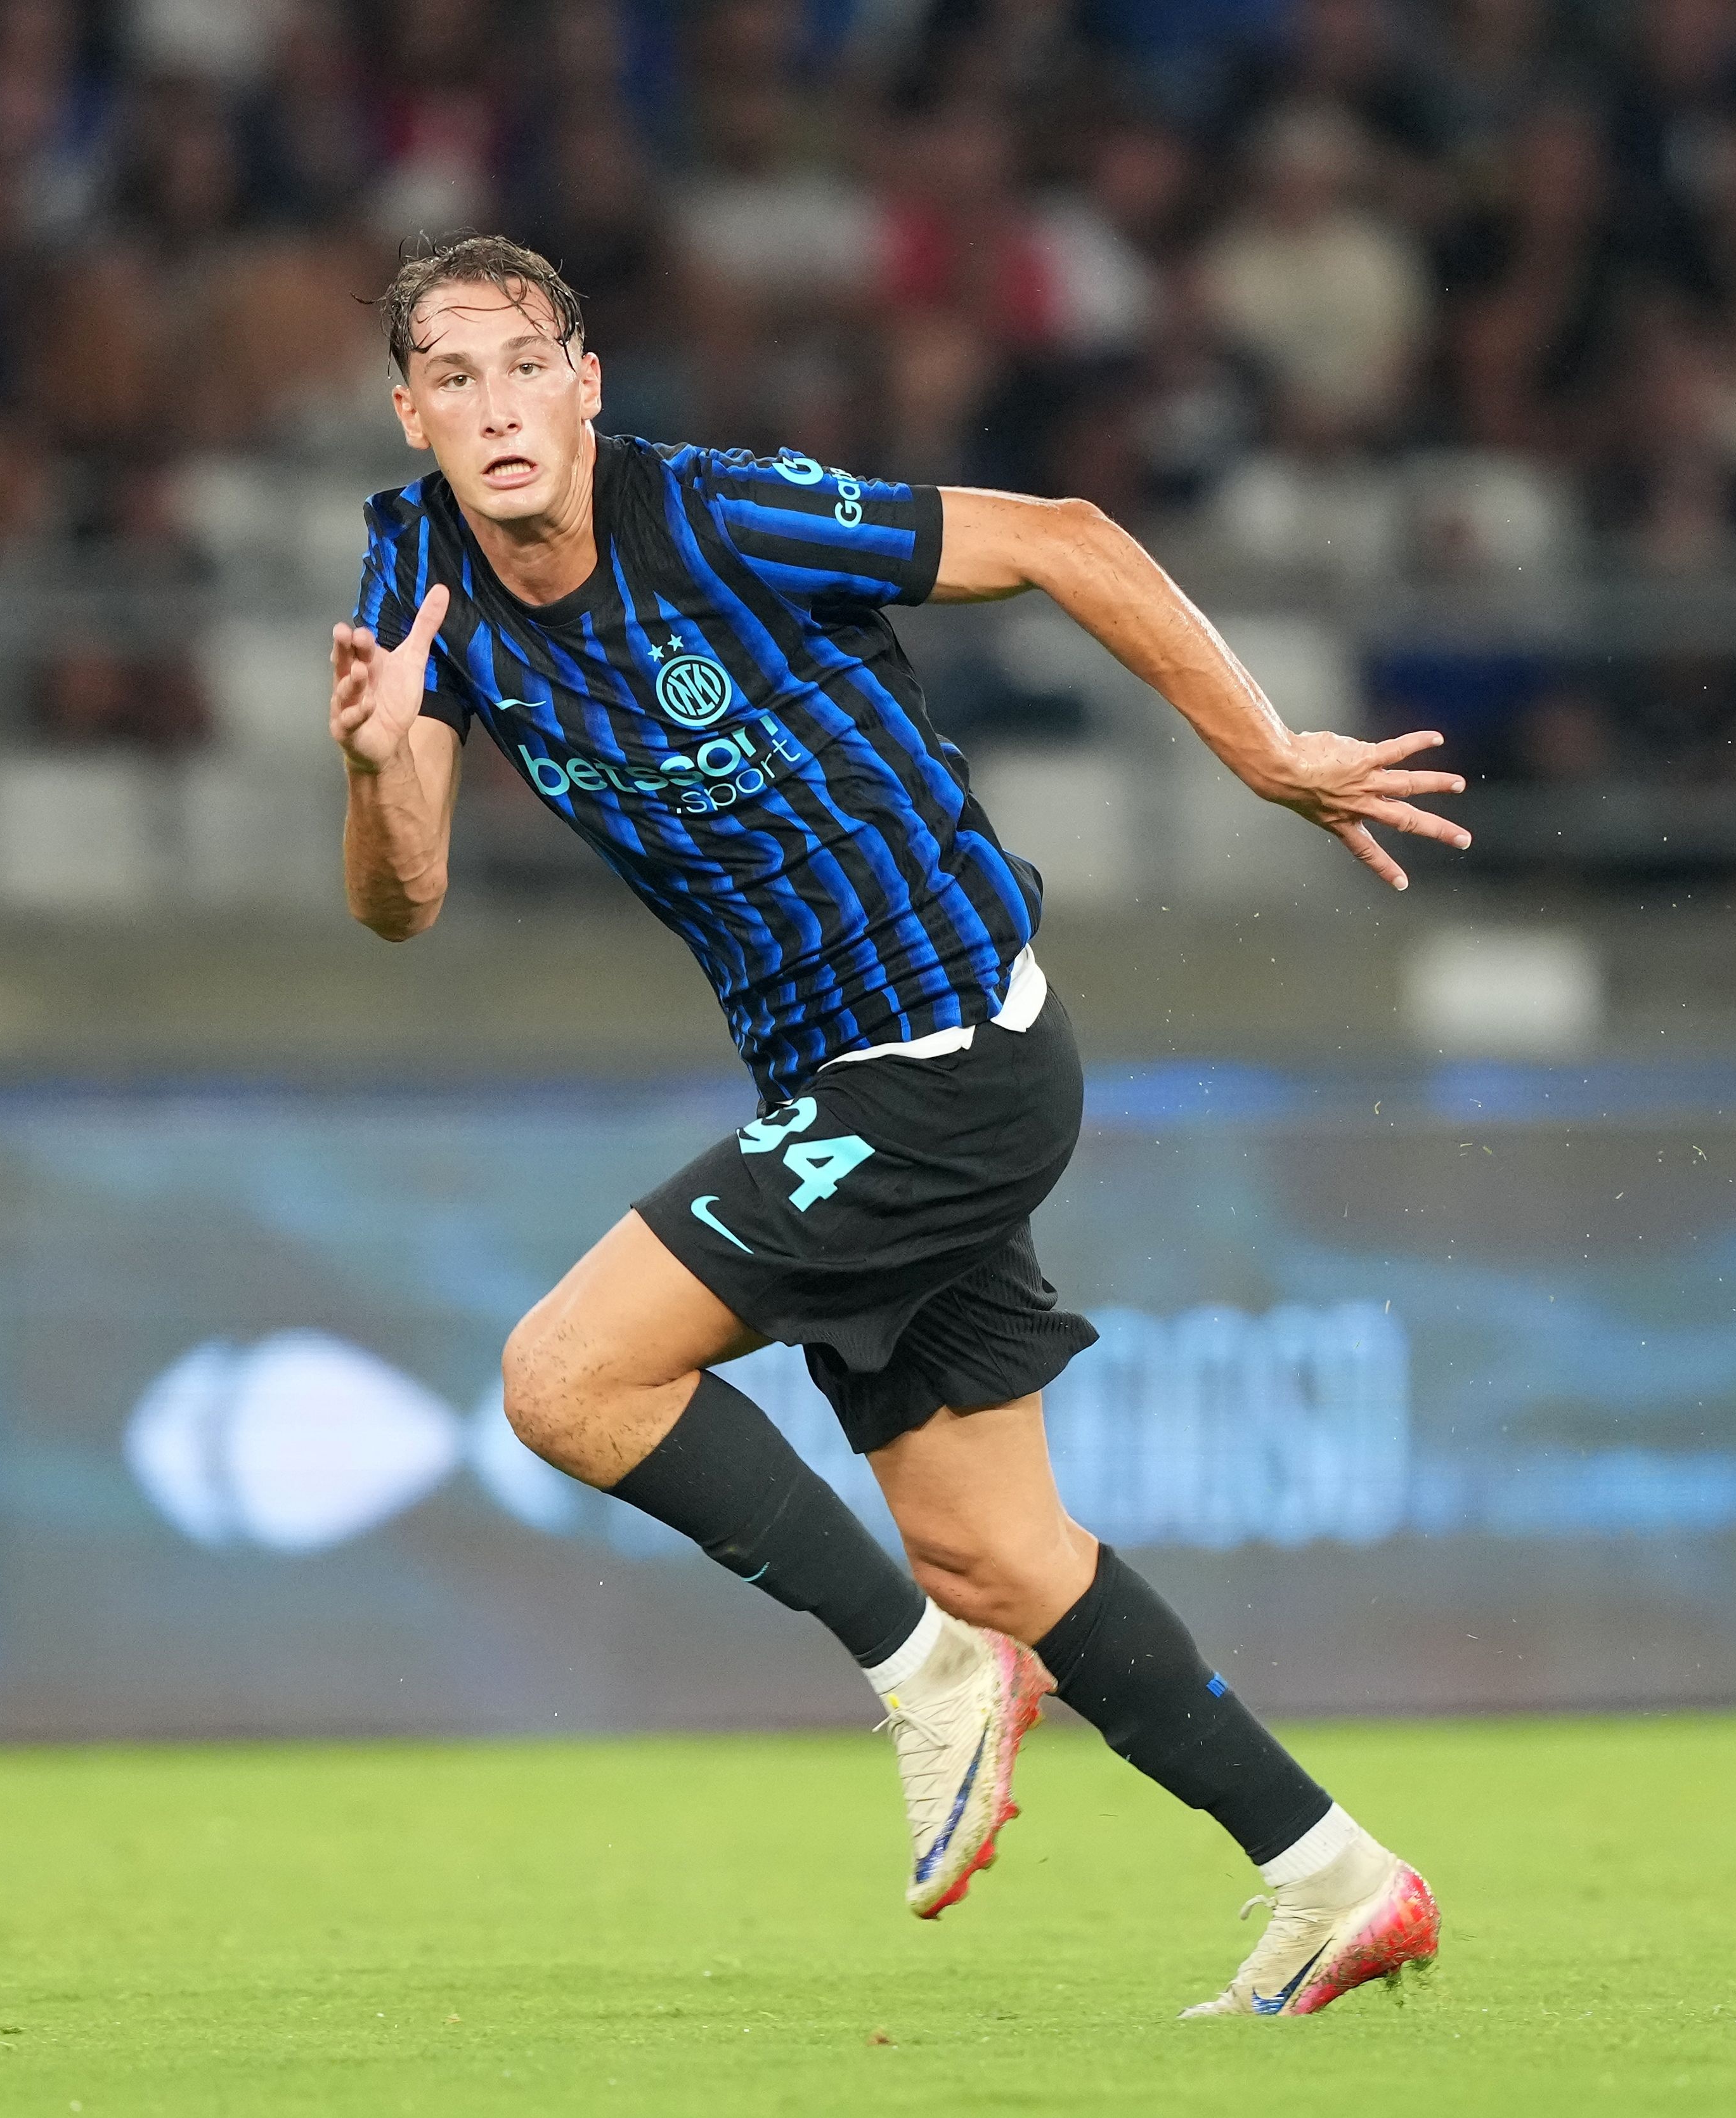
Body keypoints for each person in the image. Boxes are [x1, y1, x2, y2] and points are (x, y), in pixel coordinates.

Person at [330, 236, 1461, 2018]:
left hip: (948, 1054)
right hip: (832, 1089)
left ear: (587, 383)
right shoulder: (414, 580)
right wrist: (376, 766)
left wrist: (1260, 752)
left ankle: (927, 1674)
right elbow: (402, 905)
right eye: (453, 379)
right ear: (410, 413)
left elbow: (1065, 535)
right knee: (995, 1552)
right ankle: (1335, 1877)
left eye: (525, 364)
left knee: (564, 1377)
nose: (496, 407)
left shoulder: (718, 513)